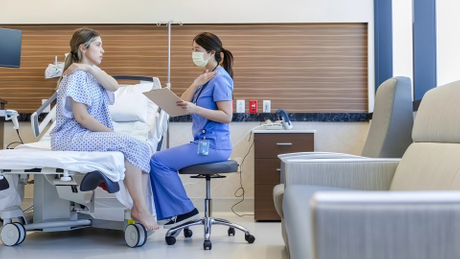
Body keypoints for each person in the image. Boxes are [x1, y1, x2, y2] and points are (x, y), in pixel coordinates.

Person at [50, 27, 159, 231]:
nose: (103, 50)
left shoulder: (90, 74)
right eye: (98, 45)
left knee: (141, 147)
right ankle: (140, 209)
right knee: (130, 143)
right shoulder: (76, 77)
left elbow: (114, 86)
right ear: (83, 48)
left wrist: (89, 68)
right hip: (70, 136)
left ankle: (140, 207)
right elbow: (82, 118)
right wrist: (113, 134)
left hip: (85, 134)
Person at [149, 32, 234, 229]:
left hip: (214, 145)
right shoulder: (206, 77)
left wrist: (196, 109)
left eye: (197, 50)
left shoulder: (221, 79)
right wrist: (196, 83)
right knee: (158, 160)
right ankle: (179, 211)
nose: (193, 53)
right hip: (202, 144)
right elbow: (181, 104)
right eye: (193, 49)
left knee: (158, 161)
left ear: (211, 52)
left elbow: (226, 116)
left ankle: (184, 211)